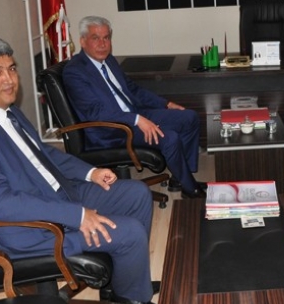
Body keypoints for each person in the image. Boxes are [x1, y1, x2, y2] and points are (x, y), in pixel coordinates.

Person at [0, 36, 159, 304]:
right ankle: (134, 299)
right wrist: (77, 215)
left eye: (11, 69)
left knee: (136, 194)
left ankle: (122, 283)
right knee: (129, 232)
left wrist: (90, 172)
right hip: (28, 229)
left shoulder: (8, 111)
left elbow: (44, 154)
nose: (9, 80)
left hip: (58, 195)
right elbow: (0, 203)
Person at [63, 15, 205, 199]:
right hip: (111, 130)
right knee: (169, 138)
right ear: (82, 41)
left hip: (134, 114)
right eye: (95, 38)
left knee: (189, 117)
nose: (103, 44)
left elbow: (133, 90)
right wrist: (137, 120)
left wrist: (166, 104)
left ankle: (181, 177)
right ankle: (189, 187)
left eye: (106, 38)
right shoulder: (75, 71)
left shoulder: (109, 61)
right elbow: (95, 112)